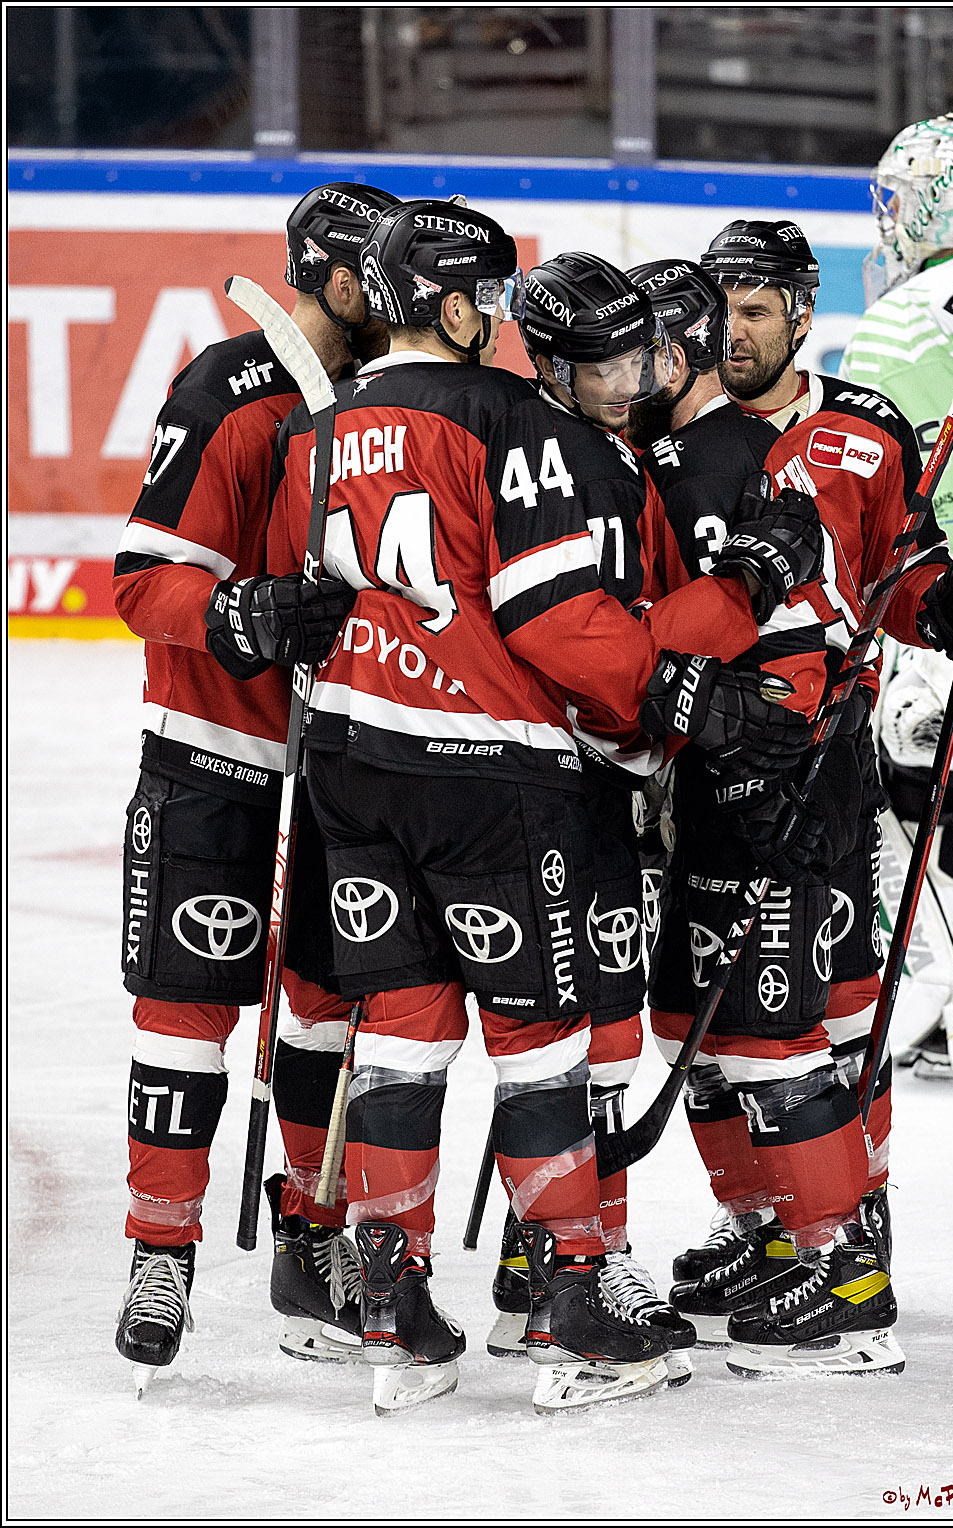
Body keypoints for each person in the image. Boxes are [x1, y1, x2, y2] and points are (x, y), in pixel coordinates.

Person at [265, 201, 810, 1414]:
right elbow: (557, 622)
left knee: (401, 1034)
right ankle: (572, 1295)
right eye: (492, 303)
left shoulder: (323, 428)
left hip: (353, 773)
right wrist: (697, 697)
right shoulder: (515, 418)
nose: (504, 324)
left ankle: (390, 1303)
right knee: (541, 1042)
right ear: (455, 310)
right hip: (493, 779)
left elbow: (303, 610)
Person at [651, 219, 953, 1377]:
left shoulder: (864, 429)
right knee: (703, 1020)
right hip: (688, 767)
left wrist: (949, 606)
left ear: (804, 313)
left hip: (824, 765)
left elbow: (898, 574)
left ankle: (849, 1231)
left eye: (757, 306)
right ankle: (770, 1222)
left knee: (836, 1006)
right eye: (721, 305)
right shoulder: (669, 436)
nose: (735, 326)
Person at [484, 251, 823, 1380]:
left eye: (650, 350)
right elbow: (575, 631)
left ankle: (548, 1260)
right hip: (557, 773)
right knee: (577, 1039)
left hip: (593, 771)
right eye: (623, 354)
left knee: (587, 1037)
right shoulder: (568, 452)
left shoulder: (604, 444)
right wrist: (740, 598)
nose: (644, 372)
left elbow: (633, 623)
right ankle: (570, 1267)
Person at [111, 181, 400, 1390]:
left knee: (327, 1013)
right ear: (337, 279)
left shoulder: (393, 405)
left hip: (344, 757)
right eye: (379, 275)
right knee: (188, 1016)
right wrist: (246, 609)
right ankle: (157, 1251)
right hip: (212, 757)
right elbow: (138, 579)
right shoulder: (225, 391)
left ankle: (311, 1236)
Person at [842, 113, 953, 1077]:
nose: (887, 220)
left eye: (898, 200)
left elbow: (886, 494)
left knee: (901, 790)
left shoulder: (906, 318)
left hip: (950, 605)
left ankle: (937, 978)